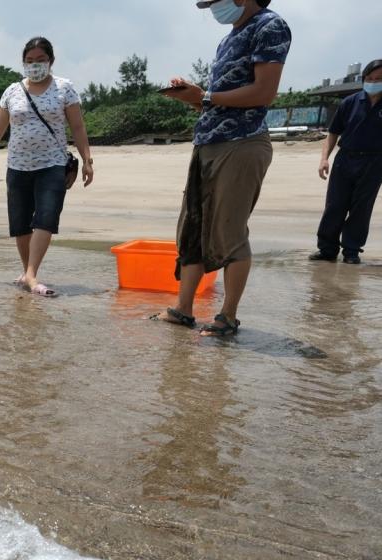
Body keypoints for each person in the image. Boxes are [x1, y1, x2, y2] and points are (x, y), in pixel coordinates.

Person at [154, 0, 291, 336]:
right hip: (209, 144)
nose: (212, 7)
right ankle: (183, 310)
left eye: (214, 1)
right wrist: (193, 96)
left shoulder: (269, 26)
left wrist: (206, 96)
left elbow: (264, 92)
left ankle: (227, 317)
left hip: (242, 143)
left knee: (228, 231)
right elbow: (216, 97)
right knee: (192, 229)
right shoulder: (231, 36)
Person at [0, 36, 93, 298]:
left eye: (40, 60)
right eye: (29, 61)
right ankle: (28, 272)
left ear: (51, 61)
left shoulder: (65, 88)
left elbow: (77, 126)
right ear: (23, 63)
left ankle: (31, 274)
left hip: (52, 163)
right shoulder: (12, 91)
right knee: (21, 222)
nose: (35, 65)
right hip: (17, 166)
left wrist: (87, 160)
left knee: (46, 217)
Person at [309, 59, 382, 265]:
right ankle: (327, 249)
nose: (373, 82)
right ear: (363, 79)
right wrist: (324, 159)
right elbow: (332, 134)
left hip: (374, 162)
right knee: (335, 205)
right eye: (369, 78)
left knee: (361, 208)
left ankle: (351, 251)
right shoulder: (349, 102)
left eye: (379, 79)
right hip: (345, 159)